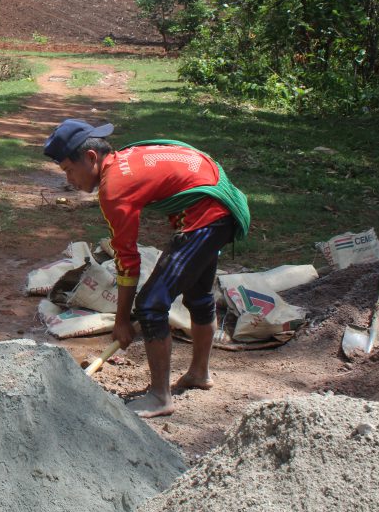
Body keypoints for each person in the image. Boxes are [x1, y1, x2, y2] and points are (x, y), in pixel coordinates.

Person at [43, 119, 249, 418]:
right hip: (217, 209)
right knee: (198, 295)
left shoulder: (114, 189)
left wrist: (122, 320)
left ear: (90, 157)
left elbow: (127, 261)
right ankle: (199, 374)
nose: (69, 180)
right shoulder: (125, 158)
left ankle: (160, 397)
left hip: (207, 217)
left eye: (68, 170)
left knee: (151, 304)